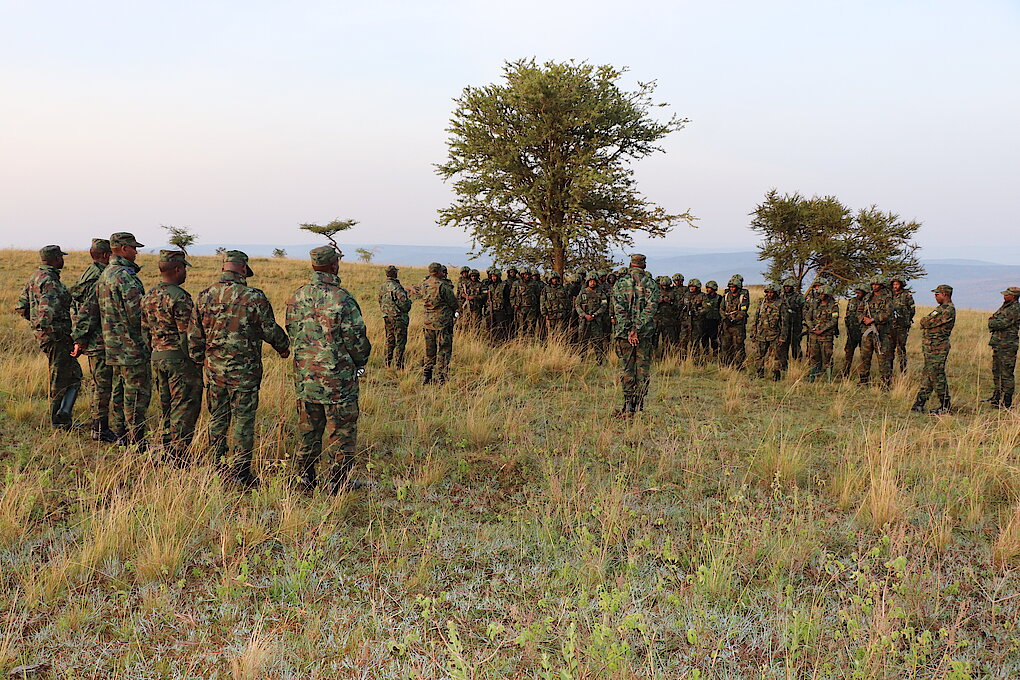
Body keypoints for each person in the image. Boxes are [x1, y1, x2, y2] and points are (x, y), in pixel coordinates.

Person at [189, 250, 290, 488]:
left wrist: (199, 358)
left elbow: (194, 335)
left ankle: (216, 465)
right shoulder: (253, 297)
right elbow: (269, 329)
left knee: (217, 418)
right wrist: (283, 347)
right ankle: (241, 472)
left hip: (215, 371)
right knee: (243, 420)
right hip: (245, 373)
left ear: (224, 268)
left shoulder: (205, 296)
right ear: (243, 269)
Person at [286, 246, 372, 493]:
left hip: (306, 377)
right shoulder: (342, 298)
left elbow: (292, 331)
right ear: (334, 265)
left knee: (308, 430)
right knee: (342, 431)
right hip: (338, 379)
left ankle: (305, 479)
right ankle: (339, 482)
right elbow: (356, 340)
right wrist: (360, 361)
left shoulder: (298, 296)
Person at [140, 250, 202, 466]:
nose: (185, 273)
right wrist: (196, 360)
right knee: (184, 406)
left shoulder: (149, 295)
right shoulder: (180, 297)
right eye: (184, 268)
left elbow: (145, 331)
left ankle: (166, 448)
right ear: (177, 269)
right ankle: (179, 455)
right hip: (179, 359)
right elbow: (187, 335)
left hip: (157, 357)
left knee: (166, 406)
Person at [16, 245, 82, 430]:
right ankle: (58, 421)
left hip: (46, 337)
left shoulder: (35, 277)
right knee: (61, 378)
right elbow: (47, 315)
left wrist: (36, 326)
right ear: (55, 259)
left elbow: (21, 306)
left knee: (73, 375)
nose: (63, 260)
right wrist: (58, 334)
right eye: (61, 257)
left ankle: (63, 416)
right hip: (56, 339)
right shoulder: (50, 282)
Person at [96, 232, 151, 448]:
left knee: (120, 391)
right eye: (133, 248)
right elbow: (137, 314)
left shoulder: (106, 274)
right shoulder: (125, 276)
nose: (136, 252)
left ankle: (121, 434)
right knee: (136, 394)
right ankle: (136, 439)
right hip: (131, 346)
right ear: (123, 249)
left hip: (113, 345)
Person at [70, 238, 118, 442]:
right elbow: (89, 311)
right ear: (106, 255)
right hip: (98, 339)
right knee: (102, 385)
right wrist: (80, 339)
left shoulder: (89, 273)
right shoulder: (99, 276)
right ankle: (99, 428)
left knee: (100, 383)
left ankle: (99, 426)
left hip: (94, 337)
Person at [612, 254, 660, 415]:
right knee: (642, 369)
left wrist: (629, 330)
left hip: (624, 335)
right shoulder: (651, 284)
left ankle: (627, 404)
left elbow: (619, 310)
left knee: (627, 368)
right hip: (644, 334)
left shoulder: (620, 283)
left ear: (631, 264)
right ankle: (639, 404)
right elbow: (651, 309)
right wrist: (637, 329)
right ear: (643, 265)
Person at [911, 285, 956, 414]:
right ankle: (919, 403)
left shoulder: (948, 310)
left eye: (937, 294)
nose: (935, 297)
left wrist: (925, 321)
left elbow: (926, 322)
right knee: (928, 374)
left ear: (945, 294)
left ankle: (945, 405)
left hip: (938, 347)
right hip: (931, 347)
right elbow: (926, 321)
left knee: (937, 375)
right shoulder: (940, 308)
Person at [420, 262, 458, 384]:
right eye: (441, 271)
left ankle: (427, 375)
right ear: (437, 272)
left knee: (429, 350)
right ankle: (442, 376)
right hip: (442, 323)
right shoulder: (442, 286)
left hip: (428, 322)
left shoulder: (424, 284)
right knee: (444, 349)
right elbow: (453, 302)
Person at [986, 287, 1020, 408]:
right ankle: (997, 397)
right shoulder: (1005, 307)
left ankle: (1006, 401)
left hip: (1008, 345)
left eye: (1007, 295)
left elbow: (999, 323)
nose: (1004, 296)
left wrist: (993, 322)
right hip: (999, 344)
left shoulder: (1015, 309)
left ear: (1013, 296)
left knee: (1006, 373)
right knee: (997, 371)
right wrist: (993, 321)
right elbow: (993, 318)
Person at [857, 278, 894, 390]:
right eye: (873, 284)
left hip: (881, 333)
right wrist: (863, 318)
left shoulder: (887, 299)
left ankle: (885, 384)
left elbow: (888, 314)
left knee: (883, 358)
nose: (874, 286)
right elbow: (859, 311)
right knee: (865, 357)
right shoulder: (867, 298)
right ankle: (863, 381)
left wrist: (874, 319)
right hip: (867, 332)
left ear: (881, 285)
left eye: (877, 284)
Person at [749, 284, 788, 380]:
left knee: (776, 356)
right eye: (768, 292)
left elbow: (784, 322)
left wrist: (782, 337)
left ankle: (776, 375)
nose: (769, 294)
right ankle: (759, 373)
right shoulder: (762, 302)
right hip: (761, 334)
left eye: (771, 292)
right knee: (759, 355)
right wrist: (753, 333)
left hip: (775, 334)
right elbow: (756, 318)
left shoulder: (781, 304)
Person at [378, 265, 412, 369]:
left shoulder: (382, 287)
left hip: (387, 316)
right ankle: (399, 365)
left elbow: (380, 300)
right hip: (398, 317)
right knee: (400, 342)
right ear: (395, 273)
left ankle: (387, 363)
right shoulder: (397, 287)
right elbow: (404, 304)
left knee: (389, 340)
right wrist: (409, 302)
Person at [803, 285, 839, 381]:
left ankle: (829, 379)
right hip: (814, 336)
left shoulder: (834, 306)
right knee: (813, 356)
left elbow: (834, 321)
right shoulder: (815, 305)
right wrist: (812, 328)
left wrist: (822, 330)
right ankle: (812, 378)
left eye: (823, 294)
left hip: (826, 336)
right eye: (820, 294)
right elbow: (808, 317)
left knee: (827, 356)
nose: (821, 296)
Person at [575, 272, 609, 364]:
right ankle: (582, 360)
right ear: (587, 282)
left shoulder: (600, 292)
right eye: (590, 281)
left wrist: (595, 315)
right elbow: (577, 305)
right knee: (583, 341)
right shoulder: (583, 292)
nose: (592, 283)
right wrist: (584, 315)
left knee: (597, 341)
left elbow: (604, 306)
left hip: (596, 321)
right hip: (584, 321)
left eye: (594, 281)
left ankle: (599, 360)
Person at [719, 275, 750, 367]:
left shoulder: (743, 297)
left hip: (738, 326)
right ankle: (726, 364)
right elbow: (721, 308)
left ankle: (739, 365)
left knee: (738, 346)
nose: (732, 289)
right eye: (730, 287)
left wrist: (733, 319)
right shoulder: (726, 296)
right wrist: (725, 318)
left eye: (734, 287)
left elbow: (743, 311)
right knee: (725, 345)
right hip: (726, 325)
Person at [889, 276, 915, 373]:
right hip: (890, 326)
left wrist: (906, 319)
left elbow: (912, 310)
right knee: (889, 349)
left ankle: (903, 371)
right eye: (894, 284)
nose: (895, 286)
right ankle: (889, 371)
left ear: (901, 285)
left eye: (897, 284)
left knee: (901, 348)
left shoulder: (906, 295)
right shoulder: (889, 294)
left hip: (902, 326)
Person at [842, 284, 868, 377]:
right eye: (857, 292)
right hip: (852, 331)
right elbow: (847, 315)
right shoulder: (852, 301)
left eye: (860, 293)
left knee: (864, 354)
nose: (858, 294)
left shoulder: (867, 302)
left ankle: (864, 374)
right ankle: (845, 372)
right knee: (848, 353)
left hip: (863, 332)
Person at [484, 268, 512, 343]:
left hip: (501, 310)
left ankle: (501, 342)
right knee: (490, 327)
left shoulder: (504, 285)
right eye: (492, 276)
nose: (493, 278)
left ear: (499, 276)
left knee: (501, 328)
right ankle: (491, 342)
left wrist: (507, 310)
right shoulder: (489, 286)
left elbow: (507, 299)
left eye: (495, 276)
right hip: (491, 309)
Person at [780, 277, 804, 361]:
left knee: (795, 344)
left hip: (795, 324)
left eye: (789, 286)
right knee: (783, 345)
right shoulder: (781, 297)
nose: (787, 288)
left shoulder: (799, 297)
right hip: (784, 325)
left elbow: (804, 309)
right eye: (785, 286)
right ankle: (784, 363)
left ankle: (798, 362)